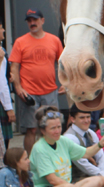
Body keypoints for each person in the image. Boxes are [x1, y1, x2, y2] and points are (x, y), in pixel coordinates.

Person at [29, 106, 104, 187]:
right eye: (53, 128)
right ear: (42, 130)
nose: (57, 131)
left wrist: (101, 144)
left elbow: (86, 153)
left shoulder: (62, 140)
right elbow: (52, 180)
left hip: (69, 186)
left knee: (101, 180)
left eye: (59, 127)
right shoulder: (39, 148)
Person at [9, 9, 64, 155]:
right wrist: (18, 87)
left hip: (50, 91)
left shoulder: (54, 40)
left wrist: (65, 82)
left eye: (35, 20)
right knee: (32, 129)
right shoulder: (20, 42)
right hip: (29, 93)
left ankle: (52, 159)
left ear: (42, 20)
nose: (32, 23)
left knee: (51, 127)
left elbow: (62, 63)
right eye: (29, 21)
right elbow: (14, 66)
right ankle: (32, 163)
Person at [0, 20, 14, 150]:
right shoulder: (0, 52)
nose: (3, 30)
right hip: (1, 101)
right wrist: (9, 108)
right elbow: (1, 83)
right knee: (4, 141)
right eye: (1, 28)